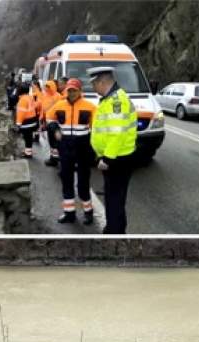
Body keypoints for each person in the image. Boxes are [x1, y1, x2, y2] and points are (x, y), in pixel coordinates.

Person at [87, 66, 138, 235]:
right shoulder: (110, 99)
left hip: (117, 159)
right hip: (117, 157)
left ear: (102, 82)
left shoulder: (116, 102)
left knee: (115, 199)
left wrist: (107, 159)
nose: (93, 88)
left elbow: (117, 134)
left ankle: (114, 234)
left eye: (94, 84)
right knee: (113, 198)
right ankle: (115, 228)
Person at [46, 78, 98, 225]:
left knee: (83, 182)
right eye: (69, 90)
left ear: (80, 91)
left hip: (83, 148)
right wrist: (55, 129)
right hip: (65, 147)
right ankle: (69, 213)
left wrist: (96, 150)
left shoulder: (90, 107)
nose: (72, 93)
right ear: (66, 91)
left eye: (74, 90)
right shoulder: (60, 105)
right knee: (66, 179)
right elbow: (49, 118)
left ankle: (88, 212)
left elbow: (98, 129)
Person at [38, 80, 62, 166]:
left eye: (48, 87)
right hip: (48, 121)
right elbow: (43, 109)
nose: (46, 88)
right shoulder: (45, 95)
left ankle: (56, 159)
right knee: (51, 140)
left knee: (56, 141)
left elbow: (61, 109)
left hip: (55, 122)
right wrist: (42, 120)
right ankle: (54, 157)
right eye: (46, 86)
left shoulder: (58, 96)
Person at [15, 83, 41, 158]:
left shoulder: (22, 100)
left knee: (27, 138)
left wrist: (18, 124)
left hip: (26, 123)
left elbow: (21, 114)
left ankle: (28, 154)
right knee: (29, 138)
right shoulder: (30, 97)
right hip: (32, 121)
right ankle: (28, 151)